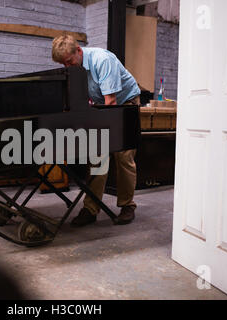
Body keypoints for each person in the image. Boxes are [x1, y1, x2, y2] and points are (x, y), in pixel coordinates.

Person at [51, 34, 141, 227]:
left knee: (123, 155)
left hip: (125, 103)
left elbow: (111, 101)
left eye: (69, 62)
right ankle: (91, 209)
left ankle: (127, 205)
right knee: (97, 157)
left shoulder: (103, 61)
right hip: (102, 105)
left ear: (79, 51)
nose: (67, 67)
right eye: (63, 64)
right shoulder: (75, 66)